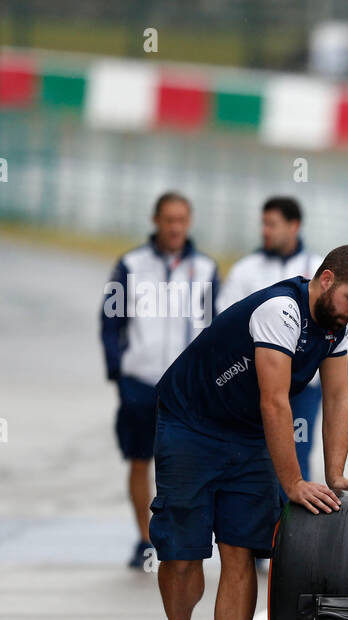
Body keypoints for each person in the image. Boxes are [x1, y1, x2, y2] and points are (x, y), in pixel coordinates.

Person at [151, 245, 348, 620]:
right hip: (189, 426)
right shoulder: (280, 311)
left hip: (246, 438)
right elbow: (275, 403)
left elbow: (338, 398)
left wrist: (334, 474)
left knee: (240, 551)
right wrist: (294, 482)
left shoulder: (336, 329)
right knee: (182, 556)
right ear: (326, 280)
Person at [100, 192, 218, 568]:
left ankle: (177, 538)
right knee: (139, 461)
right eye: (168, 219)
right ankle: (143, 539)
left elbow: (217, 329)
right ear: (155, 220)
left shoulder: (207, 269)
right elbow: (110, 320)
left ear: (189, 221)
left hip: (185, 388)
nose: (175, 227)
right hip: (139, 381)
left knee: (183, 465)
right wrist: (119, 370)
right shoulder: (131, 265)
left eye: (181, 219)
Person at [217, 197, 322, 480]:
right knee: (250, 463)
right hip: (253, 386)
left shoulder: (321, 270)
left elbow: (335, 331)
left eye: (272, 224)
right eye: (263, 224)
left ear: (294, 226)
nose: (265, 230)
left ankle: (295, 525)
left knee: (295, 464)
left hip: (303, 391)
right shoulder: (244, 270)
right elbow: (224, 326)